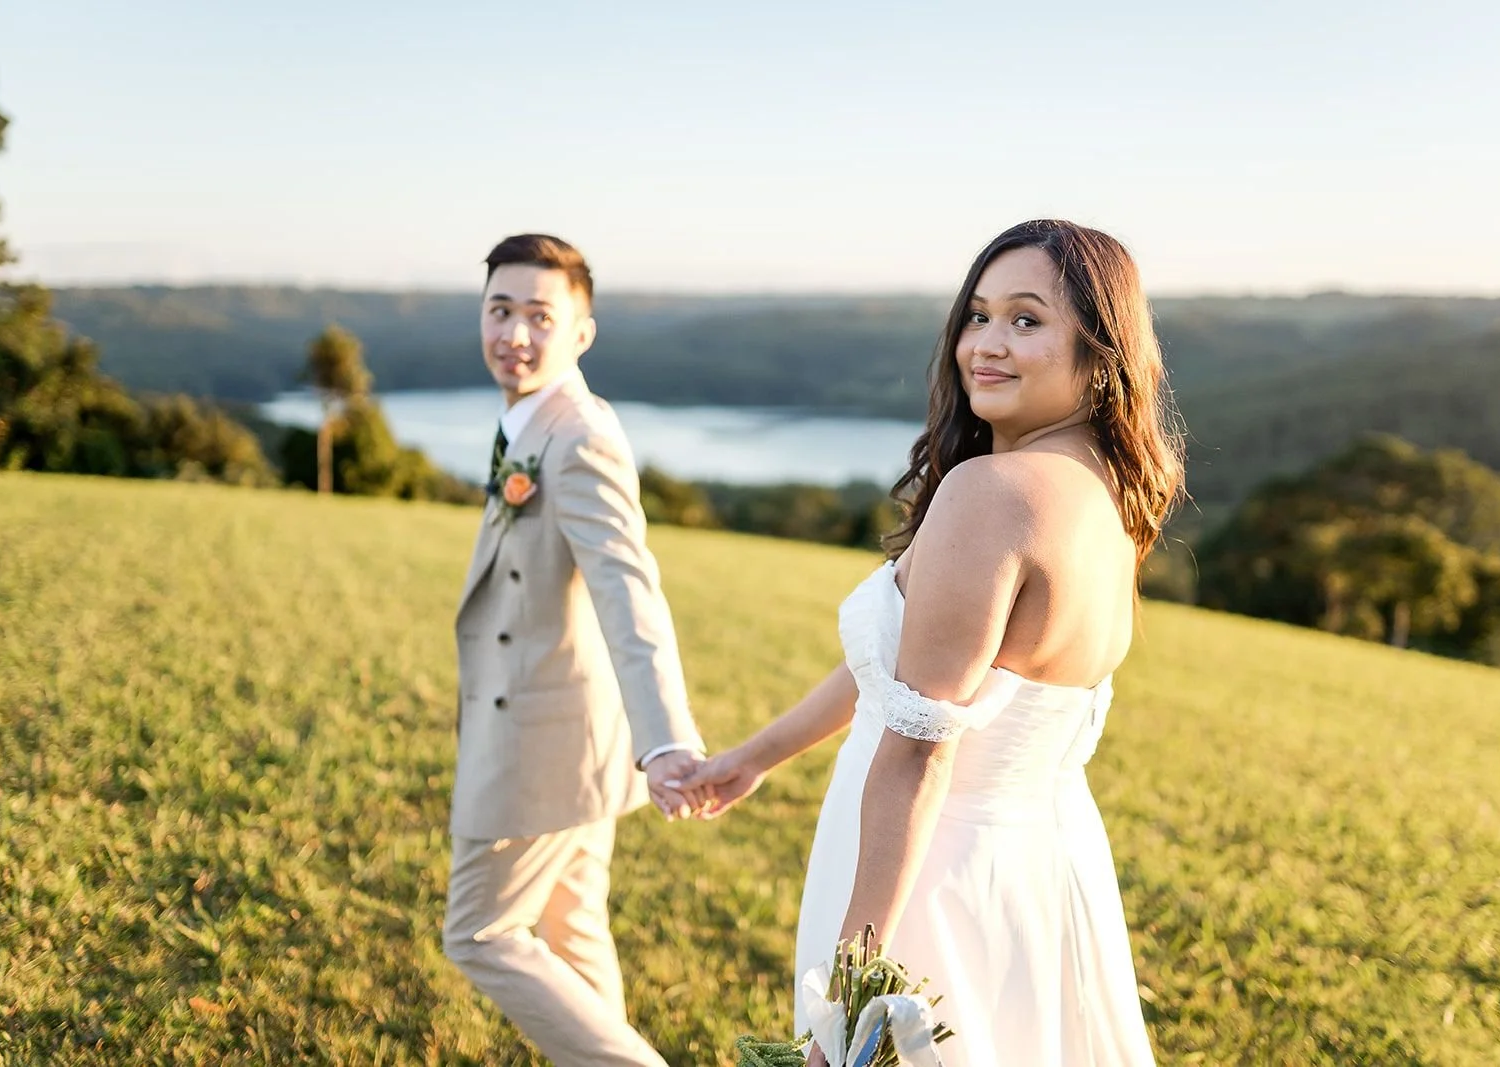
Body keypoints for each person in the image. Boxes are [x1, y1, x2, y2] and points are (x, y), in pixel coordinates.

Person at [674, 220, 1183, 1066]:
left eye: (1027, 320)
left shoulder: (991, 493)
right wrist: (757, 755)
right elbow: (911, 672)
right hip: (1038, 875)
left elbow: (918, 753)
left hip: (931, 879)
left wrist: (853, 992)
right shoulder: (1109, 494)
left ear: (1101, 352)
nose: (984, 343)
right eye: (977, 315)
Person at [442, 233, 704, 1066]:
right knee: (570, 925)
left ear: (581, 332)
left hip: (544, 745)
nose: (515, 334)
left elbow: (631, 593)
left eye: (539, 317)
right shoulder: (531, 421)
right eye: (500, 310)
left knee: (480, 931)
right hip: (578, 741)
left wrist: (666, 737)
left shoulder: (577, 434)